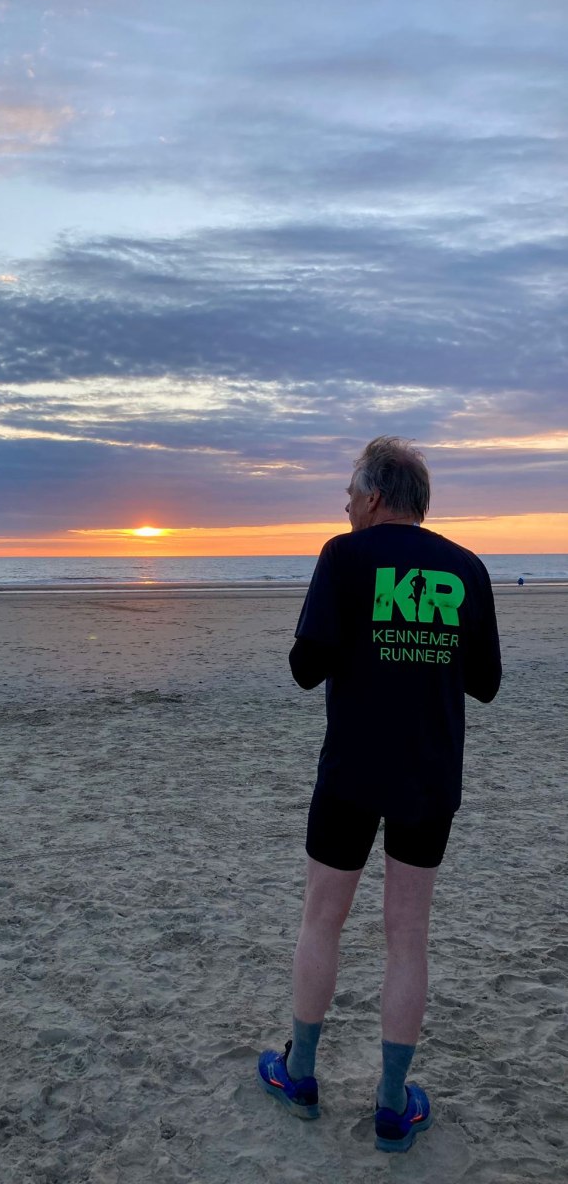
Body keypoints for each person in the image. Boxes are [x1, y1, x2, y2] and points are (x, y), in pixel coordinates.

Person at [257, 436, 501, 1154]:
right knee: (408, 937)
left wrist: (366, 640)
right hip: (429, 774)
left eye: (347, 494)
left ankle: (300, 1072)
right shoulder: (466, 567)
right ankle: (393, 1104)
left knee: (322, 920)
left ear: (372, 496)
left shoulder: (344, 556)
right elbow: (485, 681)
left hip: (352, 773)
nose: (343, 506)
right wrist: (421, 646)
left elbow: (305, 666)